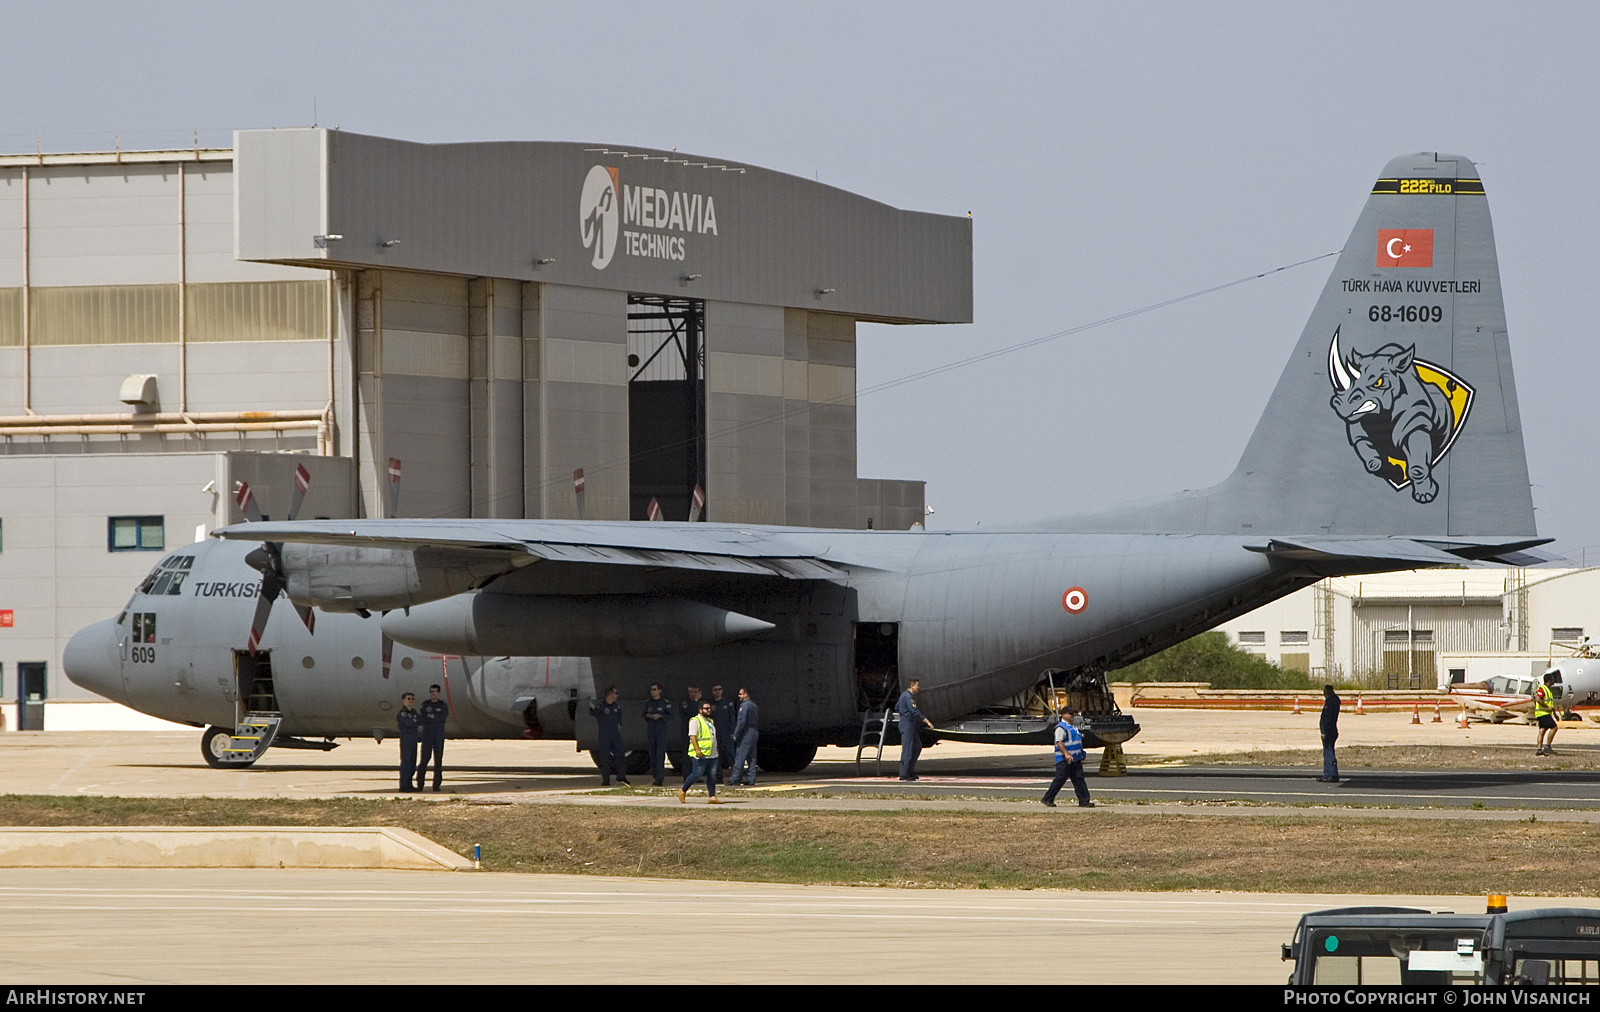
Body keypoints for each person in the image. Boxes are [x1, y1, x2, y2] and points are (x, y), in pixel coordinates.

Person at [1041, 705, 1094, 808]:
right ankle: (1047, 799)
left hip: (1076, 759)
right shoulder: (1061, 728)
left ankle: (1084, 801)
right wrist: (1066, 754)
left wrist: (1081, 753)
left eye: (1073, 714)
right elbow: (1059, 742)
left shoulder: (1073, 727)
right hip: (1065, 760)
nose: (1072, 716)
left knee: (1079, 780)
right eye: (1070, 714)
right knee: (1059, 779)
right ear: (1063, 715)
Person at [679, 700, 723, 804]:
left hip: (712, 753)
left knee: (712, 775)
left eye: (709, 708)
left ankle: (712, 796)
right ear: (700, 710)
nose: (708, 710)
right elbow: (692, 736)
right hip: (700, 754)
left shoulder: (710, 721)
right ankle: (683, 790)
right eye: (706, 709)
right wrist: (697, 749)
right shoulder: (695, 721)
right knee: (697, 774)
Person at [589, 686, 630, 786]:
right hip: (605, 736)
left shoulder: (616, 707)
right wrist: (591, 708)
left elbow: (620, 719)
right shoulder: (601, 706)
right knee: (605, 758)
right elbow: (594, 713)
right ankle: (606, 780)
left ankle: (621, 777)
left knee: (620, 755)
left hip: (615, 735)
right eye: (615, 693)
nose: (617, 696)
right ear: (610, 694)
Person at [896, 678, 934, 781]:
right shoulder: (908, 697)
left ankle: (911, 770)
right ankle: (904, 774)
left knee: (917, 746)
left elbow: (897, 707)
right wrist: (927, 721)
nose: (919, 687)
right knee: (908, 749)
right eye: (917, 685)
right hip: (907, 725)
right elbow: (914, 711)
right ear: (912, 686)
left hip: (908, 725)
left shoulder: (903, 696)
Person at [416, 683, 449, 792]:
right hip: (427, 735)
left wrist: (433, 717)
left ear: (438, 693)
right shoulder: (425, 705)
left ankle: (436, 785)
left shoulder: (443, 705)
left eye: (435, 692)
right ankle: (420, 784)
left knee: (438, 760)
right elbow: (422, 717)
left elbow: (443, 717)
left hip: (438, 735)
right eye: (432, 692)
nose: (433, 694)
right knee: (424, 759)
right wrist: (434, 717)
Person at [642, 683, 674, 786]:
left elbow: (670, 715)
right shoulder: (648, 703)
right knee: (653, 755)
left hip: (661, 732)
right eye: (651, 690)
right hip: (651, 731)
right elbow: (643, 715)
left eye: (655, 689)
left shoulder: (665, 703)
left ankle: (660, 778)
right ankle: (655, 777)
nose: (652, 691)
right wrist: (649, 715)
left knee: (660, 755)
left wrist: (660, 716)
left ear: (659, 691)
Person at [730, 687, 759, 786]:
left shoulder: (745, 706)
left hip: (746, 732)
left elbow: (742, 722)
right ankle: (751, 779)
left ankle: (735, 778)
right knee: (752, 757)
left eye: (740, 694)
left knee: (740, 756)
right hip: (754, 731)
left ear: (745, 694)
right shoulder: (754, 706)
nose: (739, 696)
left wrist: (736, 734)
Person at [710, 684, 737, 783]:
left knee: (731, 755)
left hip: (726, 733)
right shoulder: (710, 704)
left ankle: (736, 776)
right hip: (715, 734)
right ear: (712, 691)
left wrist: (732, 731)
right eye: (715, 690)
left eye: (719, 689)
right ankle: (718, 777)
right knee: (716, 756)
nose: (717, 691)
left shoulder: (727, 702)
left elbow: (732, 717)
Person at [396, 692, 421, 793]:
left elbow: (419, 721)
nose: (411, 701)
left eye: (412, 699)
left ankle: (409, 784)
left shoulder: (414, 712)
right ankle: (404, 785)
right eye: (408, 699)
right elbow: (410, 723)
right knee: (406, 762)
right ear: (403, 700)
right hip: (406, 740)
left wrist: (415, 722)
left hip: (413, 739)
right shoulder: (403, 713)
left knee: (412, 763)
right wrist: (415, 722)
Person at [1318, 684, 1341, 782]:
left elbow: (1326, 718)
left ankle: (1330, 774)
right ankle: (1330, 773)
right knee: (1329, 751)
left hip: (1329, 730)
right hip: (1332, 729)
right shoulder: (1335, 701)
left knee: (1328, 752)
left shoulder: (1330, 702)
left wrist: (1323, 731)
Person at [1535, 672, 1560, 756]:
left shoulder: (1548, 690)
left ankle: (1539, 749)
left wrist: (1555, 714)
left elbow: (1551, 705)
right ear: (1549, 680)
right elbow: (1538, 699)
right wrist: (1546, 707)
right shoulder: (1543, 689)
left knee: (1542, 730)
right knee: (1554, 727)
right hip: (1543, 713)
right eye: (1552, 680)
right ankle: (1547, 746)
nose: (1554, 681)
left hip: (1544, 713)